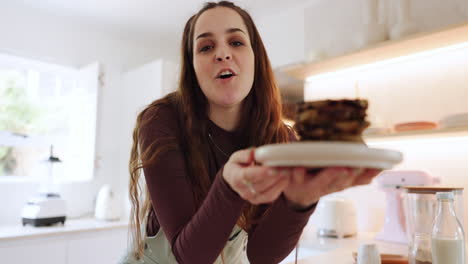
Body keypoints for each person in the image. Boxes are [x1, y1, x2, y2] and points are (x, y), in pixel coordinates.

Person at [123, 1, 381, 263]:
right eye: (206, 47)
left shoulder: (280, 140)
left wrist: (300, 200)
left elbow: (260, 256)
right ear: (192, 69)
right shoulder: (162, 120)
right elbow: (190, 257)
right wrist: (230, 185)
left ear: (256, 57)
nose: (222, 53)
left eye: (236, 42)